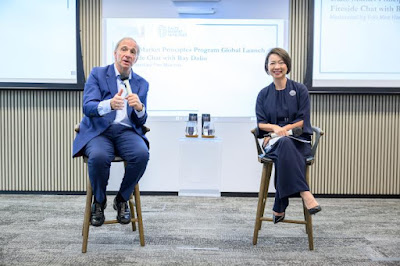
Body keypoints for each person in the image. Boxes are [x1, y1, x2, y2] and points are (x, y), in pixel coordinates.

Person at [72, 37, 150, 227]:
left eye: (133, 52)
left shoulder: (142, 83)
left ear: (136, 59)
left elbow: (141, 120)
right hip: (100, 131)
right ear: (115, 54)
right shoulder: (98, 74)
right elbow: (87, 107)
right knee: (98, 157)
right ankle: (99, 202)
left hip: (126, 132)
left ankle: (122, 199)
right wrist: (109, 105)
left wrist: (140, 108)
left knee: (141, 154)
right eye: (124, 49)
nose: (128, 54)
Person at [255, 47, 321, 224]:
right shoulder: (263, 94)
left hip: (298, 141)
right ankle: (305, 194)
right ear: (267, 67)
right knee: (283, 144)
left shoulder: (300, 90)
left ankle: (280, 204)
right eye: (273, 63)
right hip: (273, 142)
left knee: (286, 145)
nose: (277, 66)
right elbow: (261, 124)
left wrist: (286, 129)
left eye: (281, 62)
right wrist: (275, 128)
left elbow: (303, 120)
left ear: (287, 65)